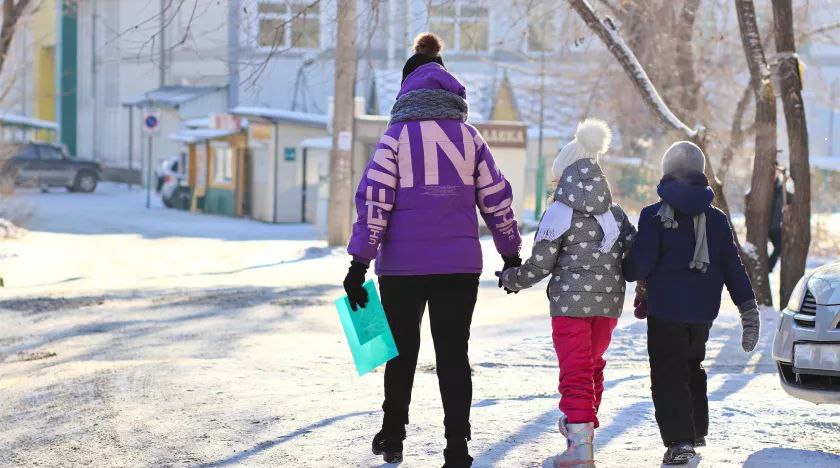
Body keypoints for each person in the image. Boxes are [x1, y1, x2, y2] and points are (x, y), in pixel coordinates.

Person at [342, 32, 522, 467]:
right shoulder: (470, 138)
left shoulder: (394, 139)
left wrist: (358, 263)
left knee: (400, 353)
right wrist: (511, 254)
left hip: (402, 268)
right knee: (453, 355)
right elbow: (496, 198)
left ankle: (393, 435)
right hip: (458, 268)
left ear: (405, 89)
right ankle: (457, 447)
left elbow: (375, 202)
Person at [499, 119, 636, 467]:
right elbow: (635, 254)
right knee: (592, 367)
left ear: (565, 177)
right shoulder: (615, 214)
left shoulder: (558, 213)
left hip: (569, 306)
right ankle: (582, 431)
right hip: (607, 306)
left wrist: (513, 278)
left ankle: (579, 447)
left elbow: (540, 264)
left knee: (575, 371)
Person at [624, 141, 760, 465]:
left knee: (668, 372)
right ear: (700, 171)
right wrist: (748, 309)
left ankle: (680, 442)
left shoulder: (654, 216)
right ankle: (695, 429)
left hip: (666, 311)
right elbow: (732, 266)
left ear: (666, 170)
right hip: (702, 313)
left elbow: (638, 266)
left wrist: (626, 265)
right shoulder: (716, 219)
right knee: (691, 365)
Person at [768, 162, 793, 271]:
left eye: (775, 172)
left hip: (775, 225)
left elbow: (789, 198)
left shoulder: (780, 187)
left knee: (780, 246)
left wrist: (789, 205)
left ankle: (768, 267)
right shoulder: (765, 187)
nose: (773, 174)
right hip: (764, 225)